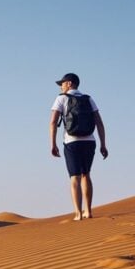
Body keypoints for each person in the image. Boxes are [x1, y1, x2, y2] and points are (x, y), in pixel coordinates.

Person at [49, 73, 108, 221]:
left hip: (72, 141)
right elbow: (99, 123)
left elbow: (53, 122)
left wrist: (53, 144)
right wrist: (103, 144)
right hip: (89, 141)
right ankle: (88, 211)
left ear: (69, 83)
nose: (61, 86)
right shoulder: (88, 99)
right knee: (86, 175)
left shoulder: (61, 98)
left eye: (62, 83)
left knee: (74, 177)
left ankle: (78, 213)